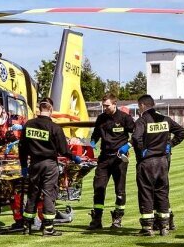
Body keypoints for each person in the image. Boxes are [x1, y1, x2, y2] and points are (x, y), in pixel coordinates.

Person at [19, 100, 84, 236]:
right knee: (49, 193)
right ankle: (48, 227)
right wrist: (75, 158)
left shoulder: (28, 125)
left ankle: (26, 225)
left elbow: (22, 148)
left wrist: (24, 166)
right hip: (49, 164)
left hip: (34, 164)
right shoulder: (54, 127)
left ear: (39, 110)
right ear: (51, 110)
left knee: (33, 194)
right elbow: (63, 150)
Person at [131, 94, 184, 236]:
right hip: (163, 161)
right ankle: (164, 226)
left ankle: (147, 228)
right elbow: (182, 132)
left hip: (147, 162)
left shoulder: (142, 121)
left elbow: (136, 138)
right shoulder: (165, 120)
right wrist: (169, 145)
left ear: (142, 105)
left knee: (146, 193)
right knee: (162, 193)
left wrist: (142, 153)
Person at [87, 93, 136, 230]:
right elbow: (96, 133)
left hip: (119, 158)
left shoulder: (125, 118)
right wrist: (92, 141)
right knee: (99, 187)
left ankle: (117, 218)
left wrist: (129, 145)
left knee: (119, 190)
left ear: (115, 104)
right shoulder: (101, 118)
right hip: (104, 158)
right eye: (103, 106)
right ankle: (97, 219)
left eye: (107, 106)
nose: (105, 108)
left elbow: (137, 133)